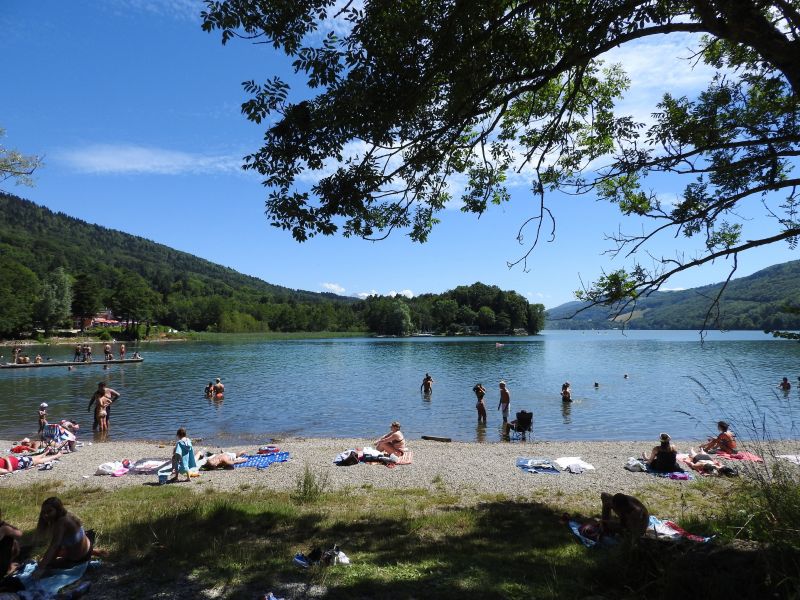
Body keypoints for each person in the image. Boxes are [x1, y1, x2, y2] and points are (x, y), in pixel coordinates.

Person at [34, 497, 92, 576]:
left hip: (80, 558)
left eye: (49, 511)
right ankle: (94, 551)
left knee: (46, 566)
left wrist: (41, 567)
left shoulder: (61, 523)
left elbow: (54, 547)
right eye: (43, 512)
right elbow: (58, 547)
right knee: (46, 559)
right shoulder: (68, 514)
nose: (45, 515)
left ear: (58, 509)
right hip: (88, 548)